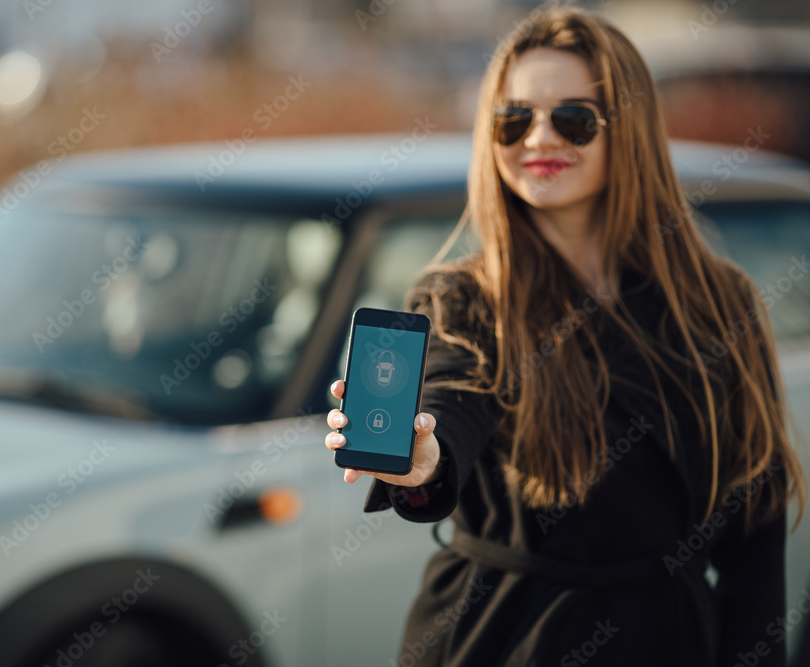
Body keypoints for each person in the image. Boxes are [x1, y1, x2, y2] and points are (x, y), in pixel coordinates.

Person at [323, 6, 806, 666]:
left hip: (665, 639)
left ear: (627, 131)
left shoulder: (719, 301)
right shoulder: (462, 297)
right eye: (513, 118)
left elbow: (755, 545)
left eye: (573, 118)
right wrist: (422, 462)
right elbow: (449, 402)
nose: (539, 138)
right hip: (500, 635)